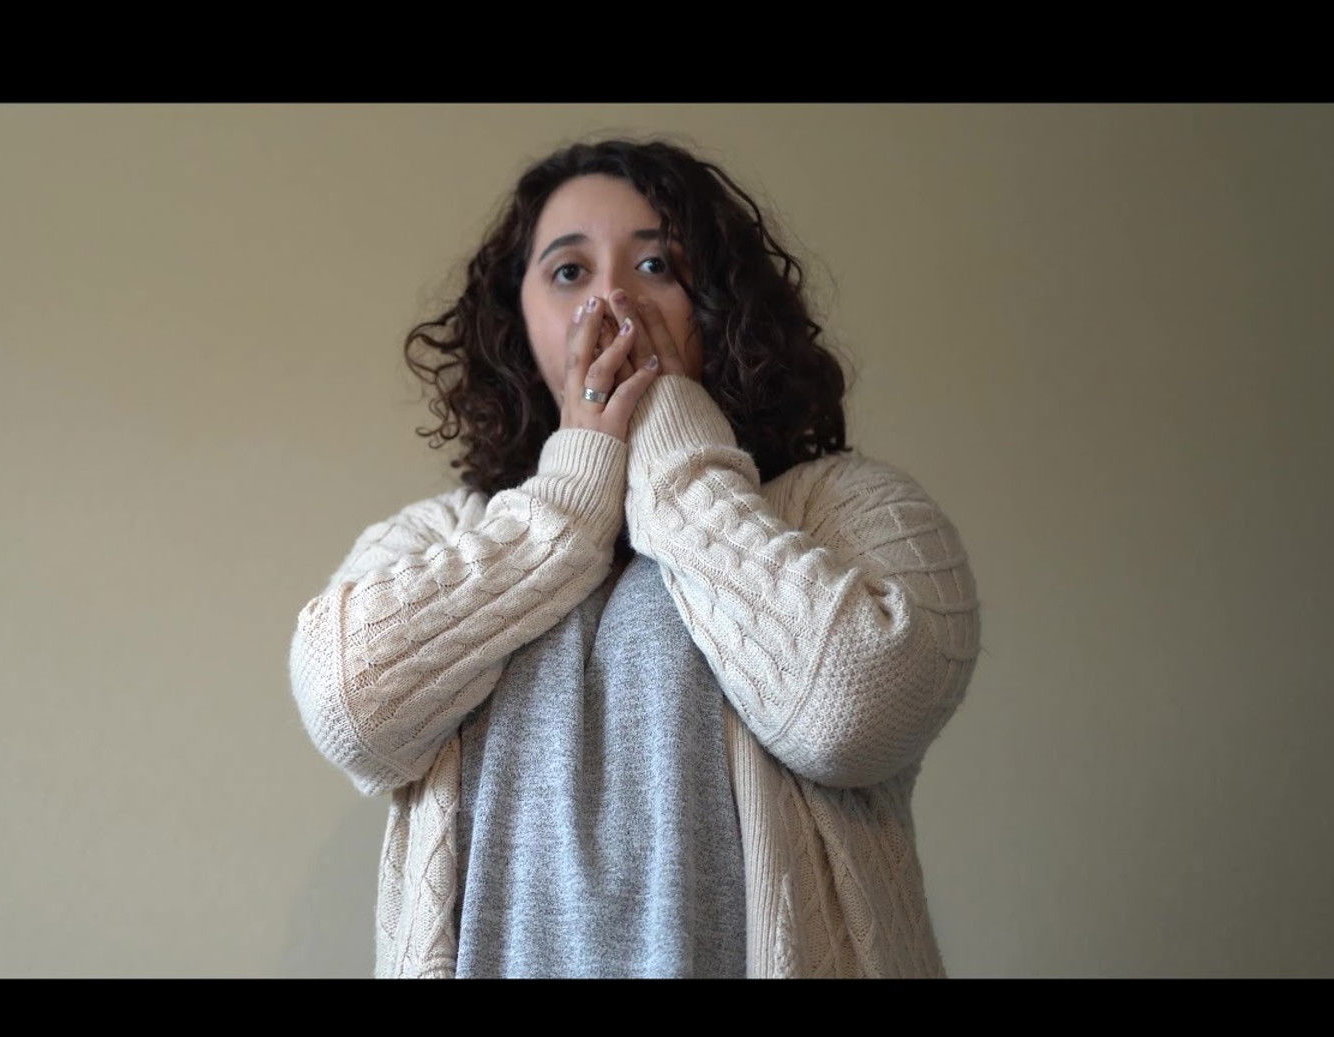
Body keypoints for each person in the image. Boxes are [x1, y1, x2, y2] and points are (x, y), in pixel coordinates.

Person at [287, 137, 983, 978]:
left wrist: (677, 454)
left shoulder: (854, 509)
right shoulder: (441, 534)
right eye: (569, 272)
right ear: (518, 320)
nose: (612, 300)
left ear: (718, 298)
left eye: (656, 265)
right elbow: (348, 707)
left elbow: (852, 717)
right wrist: (568, 503)